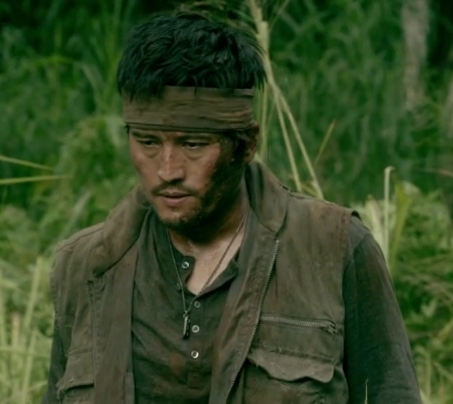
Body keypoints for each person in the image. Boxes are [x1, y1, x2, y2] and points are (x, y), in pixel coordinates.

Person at [42, 12, 422, 404]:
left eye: (192, 144)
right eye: (148, 142)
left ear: (247, 144)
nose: (167, 171)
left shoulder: (334, 247)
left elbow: (393, 393)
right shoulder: (87, 265)